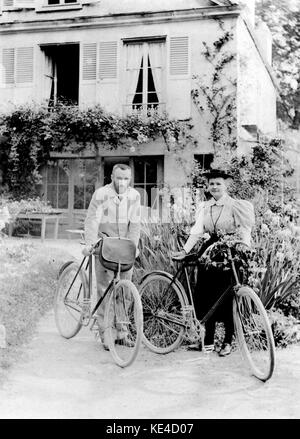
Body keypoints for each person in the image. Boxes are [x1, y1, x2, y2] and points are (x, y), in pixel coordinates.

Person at [173, 169, 255, 356]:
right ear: (207, 187)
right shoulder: (205, 207)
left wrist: (246, 246)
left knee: (227, 297)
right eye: (211, 184)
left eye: (218, 183)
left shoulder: (236, 206)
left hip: (229, 251)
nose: (215, 187)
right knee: (205, 295)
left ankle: (227, 341)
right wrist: (185, 250)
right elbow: (197, 230)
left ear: (226, 186)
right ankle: (207, 340)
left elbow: (245, 229)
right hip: (209, 252)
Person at [82, 164, 141, 347]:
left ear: (130, 179)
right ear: (112, 177)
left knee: (124, 291)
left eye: (126, 178)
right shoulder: (101, 194)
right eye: (118, 178)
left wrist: (134, 246)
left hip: (124, 249)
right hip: (105, 246)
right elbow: (93, 219)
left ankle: (122, 333)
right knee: (104, 290)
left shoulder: (134, 196)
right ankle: (106, 334)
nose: (122, 182)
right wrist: (91, 243)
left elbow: (135, 224)